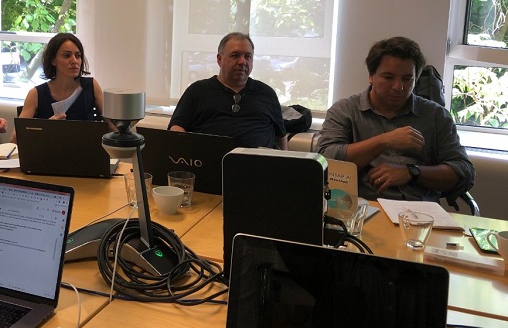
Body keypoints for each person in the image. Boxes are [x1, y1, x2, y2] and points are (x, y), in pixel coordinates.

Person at [315, 36, 475, 202]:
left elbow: (464, 172)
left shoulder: (435, 115)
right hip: (362, 210)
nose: (398, 87)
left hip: (421, 214)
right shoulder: (345, 110)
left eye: (407, 79)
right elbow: (324, 160)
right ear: (371, 76)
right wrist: (383, 141)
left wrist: (412, 172)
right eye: (388, 77)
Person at [168, 32, 287, 149]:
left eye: (247, 56)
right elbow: (176, 127)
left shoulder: (266, 93)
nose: (242, 62)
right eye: (235, 55)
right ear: (219, 59)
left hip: (257, 165)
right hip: (208, 164)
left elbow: (280, 136)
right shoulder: (198, 91)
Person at [9, 32, 104, 143]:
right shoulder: (36, 94)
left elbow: (110, 122)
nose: (74, 61)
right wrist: (46, 128)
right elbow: (14, 139)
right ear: (53, 60)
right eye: (67, 55)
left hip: (88, 154)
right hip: (49, 155)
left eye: (78, 56)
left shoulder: (91, 86)